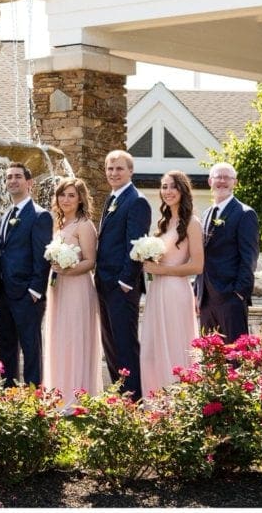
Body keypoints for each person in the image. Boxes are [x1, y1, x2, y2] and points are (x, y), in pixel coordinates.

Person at [140, 171, 203, 397]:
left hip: (176, 290)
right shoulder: (164, 222)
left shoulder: (192, 223)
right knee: (151, 348)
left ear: (182, 190)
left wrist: (162, 270)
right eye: (164, 187)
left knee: (176, 344)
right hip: (157, 290)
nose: (167, 191)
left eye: (172, 187)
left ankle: (178, 400)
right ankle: (155, 400)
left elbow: (197, 266)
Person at [94, 150, 152, 398]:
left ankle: (133, 400)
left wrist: (126, 282)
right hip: (104, 283)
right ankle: (119, 398)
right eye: (110, 168)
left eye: (119, 168)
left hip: (121, 286)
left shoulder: (137, 200)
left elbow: (136, 244)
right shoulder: (112, 199)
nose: (113, 173)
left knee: (125, 345)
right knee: (111, 346)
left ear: (130, 171)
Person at [43, 177, 102, 409]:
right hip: (58, 287)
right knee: (60, 337)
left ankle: (76, 397)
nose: (65, 199)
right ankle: (58, 393)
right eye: (62, 195)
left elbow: (90, 261)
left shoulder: (84, 225)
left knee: (75, 338)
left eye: (71, 195)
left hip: (77, 286)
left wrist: (69, 269)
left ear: (80, 200)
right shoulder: (58, 224)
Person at [0, 162, 52, 387]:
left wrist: (35, 289)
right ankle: (9, 394)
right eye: (9, 177)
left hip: (27, 294)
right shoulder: (7, 213)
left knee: (30, 347)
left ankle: (32, 394)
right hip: (4, 293)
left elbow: (42, 256)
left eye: (17, 176)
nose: (12, 180)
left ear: (29, 183)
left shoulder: (39, 215)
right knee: (6, 346)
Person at [194, 162, 259, 343]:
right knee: (210, 358)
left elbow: (249, 258)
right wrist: (197, 292)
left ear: (235, 182)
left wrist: (239, 293)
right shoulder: (206, 213)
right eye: (218, 177)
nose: (222, 181)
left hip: (231, 298)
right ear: (210, 181)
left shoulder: (245, 213)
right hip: (206, 299)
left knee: (235, 357)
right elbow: (202, 256)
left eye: (227, 178)